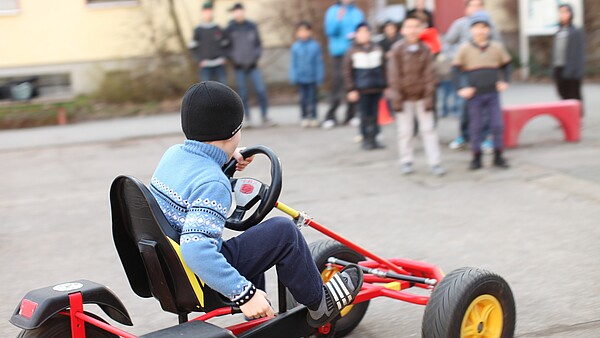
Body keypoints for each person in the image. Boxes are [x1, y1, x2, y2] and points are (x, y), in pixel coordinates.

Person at [150, 81, 363, 326]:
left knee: (256, 241)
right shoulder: (213, 184)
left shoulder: (174, 155)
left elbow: (194, 175)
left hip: (171, 273)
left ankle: (261, 320)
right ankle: (320, 304)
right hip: (202, 278)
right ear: (234, 130)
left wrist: (227, 156)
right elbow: (196, 248)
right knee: (283, 232)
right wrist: (244, 295)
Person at [387, 15, 445, 176]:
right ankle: (406, 160)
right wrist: (396, 96)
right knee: (405, 131)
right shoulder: (397, 49)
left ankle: (435, 162)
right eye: (409, 27)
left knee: (428, 130)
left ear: (421, 29)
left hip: (422, 97)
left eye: (416, 26)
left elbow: (429, 75)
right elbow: (394, 75)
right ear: (403, 30)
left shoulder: (425, 49)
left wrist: (428, 96)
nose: (412, 30)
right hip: (404, 97)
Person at [453, 12, 511, 170]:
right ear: (471, 30)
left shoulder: (496, 47)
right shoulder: (465, 49)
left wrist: (505, 81)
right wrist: (461, 88)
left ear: (489, 29)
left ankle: (498, 156)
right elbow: (456, 70)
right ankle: (476, 157)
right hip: (475, 95)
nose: (480, 31)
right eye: (477, 27)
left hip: (493, 93)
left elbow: (506, 64)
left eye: (484, 27)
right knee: (476, 126)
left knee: (497, 125)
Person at [443, 0, 502, 151]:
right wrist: (455, 58)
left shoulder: (491, 26)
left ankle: (486, 137)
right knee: (465, 105)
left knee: (488, 106)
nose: (476, 8)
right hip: (465, 71)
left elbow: (499, 47)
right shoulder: (459, 24)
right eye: (472, 5)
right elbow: (447, 42)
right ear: (466, 8)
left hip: (486, 72)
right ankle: (464, 135)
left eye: (479, 5)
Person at [225, 3, 272, 127]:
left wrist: (255, 58)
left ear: (243, 12)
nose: (238, 13)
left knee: (261, 90)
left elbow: (258, 45)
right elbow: (227, 48)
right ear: (234, 13)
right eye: (236, 11)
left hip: (253, 65)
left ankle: (265, 116)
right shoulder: (230, 29)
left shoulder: (251, 26)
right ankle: (247, 118)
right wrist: (235, 60)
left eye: (240, 11)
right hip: (239, 67)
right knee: (242, 93)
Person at [343, 23, 387, 150]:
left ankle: (375, 137)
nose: (364, 35)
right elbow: (347, 72)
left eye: (366, 32)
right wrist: (351, 89)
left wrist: (386, 85)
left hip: (376, 87)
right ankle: (365, 138)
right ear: (356, 34)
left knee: (375, 115)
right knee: (364, 115)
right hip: (361, 89)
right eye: (361, 32)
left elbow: (384, 68)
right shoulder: (352, 51)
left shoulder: (377, 48)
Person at [323, 0, 365, 129]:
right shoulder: (333, 11)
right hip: (339, 53)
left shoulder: (357, 12)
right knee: (337, 83)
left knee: (353, 83)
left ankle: (351, 115)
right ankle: (330, 116)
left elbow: (361, 30)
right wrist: (338, 19)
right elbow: (330, 31)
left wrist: (356, 36)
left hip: (354, 52)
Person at [289, 21, 325, 128]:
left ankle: (313, 116)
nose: (303, 33)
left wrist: (319, 77)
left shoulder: (315, 46)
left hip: (312, 78)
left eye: (305, 31)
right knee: (303, 99)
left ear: (310, 32)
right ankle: (304, 117)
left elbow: (319, 63)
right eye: (300, 31)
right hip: (301, 78)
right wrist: (294, 76)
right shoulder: (295, 47)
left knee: (313, 98)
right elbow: (293, 63)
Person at [552, 3, 585, 116]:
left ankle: (577, 117)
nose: (562, 15)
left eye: (565, 12)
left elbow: (578, 53)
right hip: (559, 68)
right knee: (562, 93)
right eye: (560, 12)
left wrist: (575, 71)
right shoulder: (559, 31)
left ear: (571, 14)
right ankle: (566, 117)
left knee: (574, 95)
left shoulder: (575, 31)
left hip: (572, 70)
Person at [190, 2, 229, 84]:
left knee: (223, 90)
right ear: (202, 13)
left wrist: (224, 57)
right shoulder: (198, 30)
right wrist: (199, 60)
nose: (208, 14)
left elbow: (226, 44)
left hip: (219, 65)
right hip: (205, 66)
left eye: (210, 11)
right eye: (206, 12)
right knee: (205, 90)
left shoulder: (217, 28)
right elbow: (192, 47)